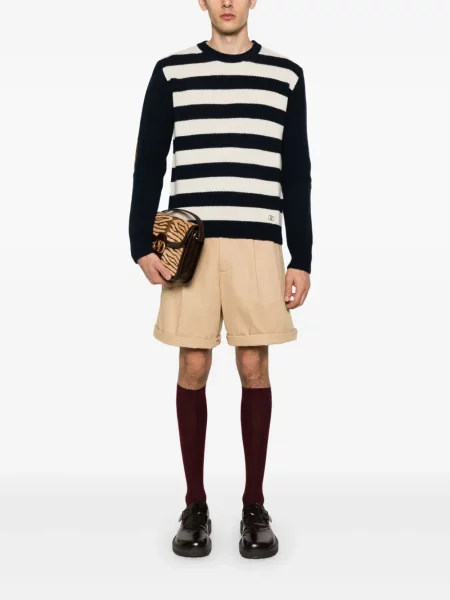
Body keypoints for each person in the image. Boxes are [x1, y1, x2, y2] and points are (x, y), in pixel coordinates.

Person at [129, 0, 312, 559]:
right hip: (192, 244)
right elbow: (149, 160)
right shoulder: (171, 71)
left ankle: (254, 505)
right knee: (193, 364)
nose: (228, 2)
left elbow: (296, 170)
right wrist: (140, 243)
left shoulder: (285, 75)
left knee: (254, 365)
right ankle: (195, 505)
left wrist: (302, 255)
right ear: (202, 1)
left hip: (258, 243)